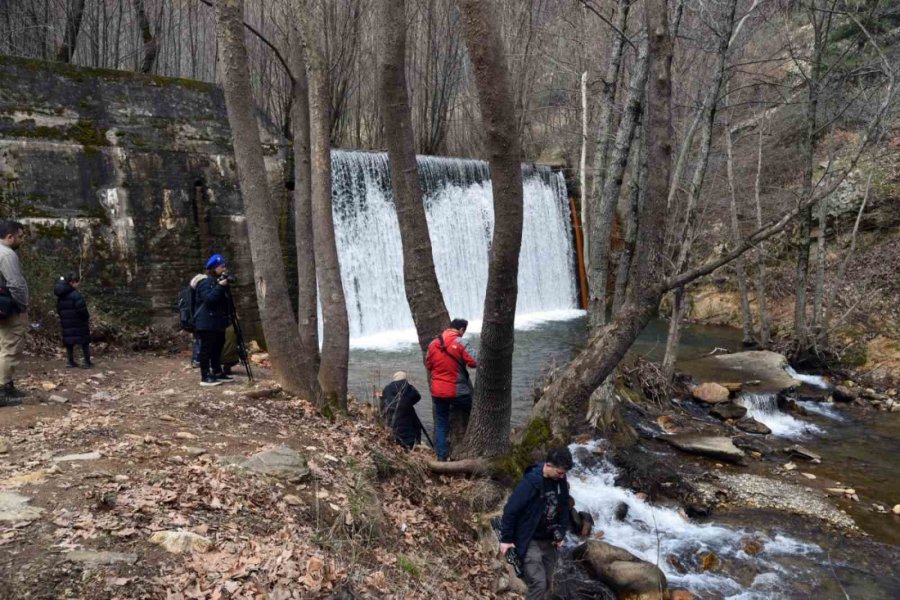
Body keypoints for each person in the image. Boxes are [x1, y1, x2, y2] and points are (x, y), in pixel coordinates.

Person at [499, 447, 574, 600]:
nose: (562, 476)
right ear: (548, 465)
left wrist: (561, 531)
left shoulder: (560, 481)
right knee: (539, 583)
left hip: (549, 540)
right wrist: (506, 539)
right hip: (529, 539)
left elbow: (564, 507)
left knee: (549, 581)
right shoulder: (531, 482)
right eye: (560, 472)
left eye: (564, 473)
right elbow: (510, 510)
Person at [425, 318, 477, 461]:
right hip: (457, 391)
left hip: (438, 392)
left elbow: (428, 365)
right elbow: (474, 362)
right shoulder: (461, 342)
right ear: (461, 330)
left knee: (442, 422)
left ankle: (441, 456)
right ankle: (472, 448)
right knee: (475, 414)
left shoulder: (433, 344)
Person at [0, 220, 29, 406]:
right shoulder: (7, 255)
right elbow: (16, 285)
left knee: (3, 345)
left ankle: (7, 385)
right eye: (20, 236)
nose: (22, 240)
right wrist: (23, 305)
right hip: (9, 308)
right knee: (10, 348)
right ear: (9, 237)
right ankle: (2, 390)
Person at [194, 254, 234, 387]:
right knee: (207, 349)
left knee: (217, 347)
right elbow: (208, 300)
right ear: (214, 268)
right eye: (222, 266)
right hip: (205, 322)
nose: (224, 269)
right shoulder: (205, 282)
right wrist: (220, 286)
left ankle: (217, 371)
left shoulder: (217, 281)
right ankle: (205, 376)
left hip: (216, 322)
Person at [54, 272, 93, 368]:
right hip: (79, 322)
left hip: (66, 322)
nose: (78, 284)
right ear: (72, 282)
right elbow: (82, 310)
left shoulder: (61, 295)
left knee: (69, 342)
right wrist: (86, 318)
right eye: (77, 282)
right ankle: (87, 362)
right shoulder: (76, 295)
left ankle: (70, 361)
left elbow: (59, 309)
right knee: (84, 341)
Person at [379, 371, 424, 450]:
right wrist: (408, 403)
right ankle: (412, 445)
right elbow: (417, 397)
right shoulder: (408, 387)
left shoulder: (387, 388)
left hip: (392, 422)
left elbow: (382, 401)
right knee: (413, 425)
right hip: (407, 423)